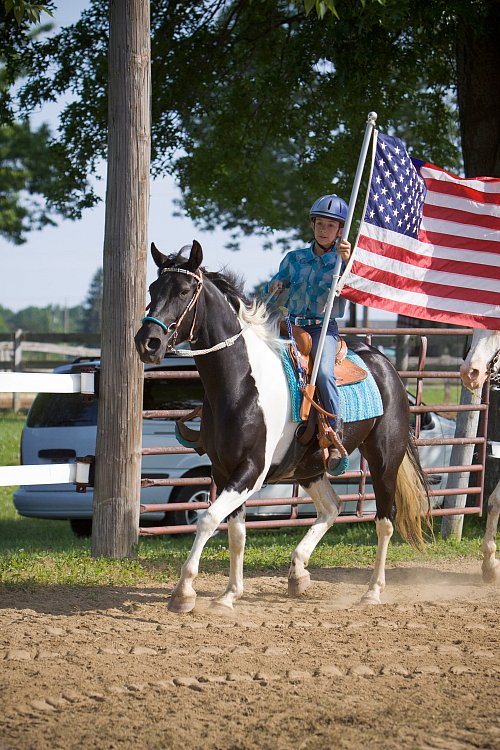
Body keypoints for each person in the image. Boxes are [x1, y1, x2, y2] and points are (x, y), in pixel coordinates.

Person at [268, 194, 351, 470]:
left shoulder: (343, 260)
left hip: (321, 328)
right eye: (319, 223)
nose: (323, 229)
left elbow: (355, 287)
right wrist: (276, 285)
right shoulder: (294, 258)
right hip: (291, 325)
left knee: (324, 373)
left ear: (340, 230)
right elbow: (279, 278)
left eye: (330, 225)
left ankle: (336, 432)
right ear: (312, 225)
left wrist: (349, 264)